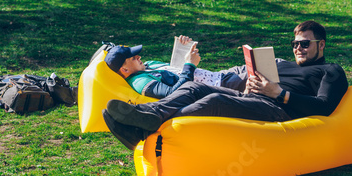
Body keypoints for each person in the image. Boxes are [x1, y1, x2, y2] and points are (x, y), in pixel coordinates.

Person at [103, 21, 349, 150]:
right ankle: (148, 116)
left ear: (322, 45)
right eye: (295, 44)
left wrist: (280, 94)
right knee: (193, 89)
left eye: (305, 44)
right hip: (253, 98)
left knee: (214, 101)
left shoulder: (331, 70)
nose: (298, 49)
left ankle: (149, 134)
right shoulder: (283, 64)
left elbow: (324, 106)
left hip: (279, 111)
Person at [104, 35, 248, 99]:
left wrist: (182, 49)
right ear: (125, 70)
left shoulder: (150, 64)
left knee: (261, 61)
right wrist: (190, 65)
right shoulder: (140, 82)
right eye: (133, 58)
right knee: (262, 68)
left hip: (220, 75)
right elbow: (174, 94)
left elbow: (176, 71)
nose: (139, 57)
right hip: (220, 86)